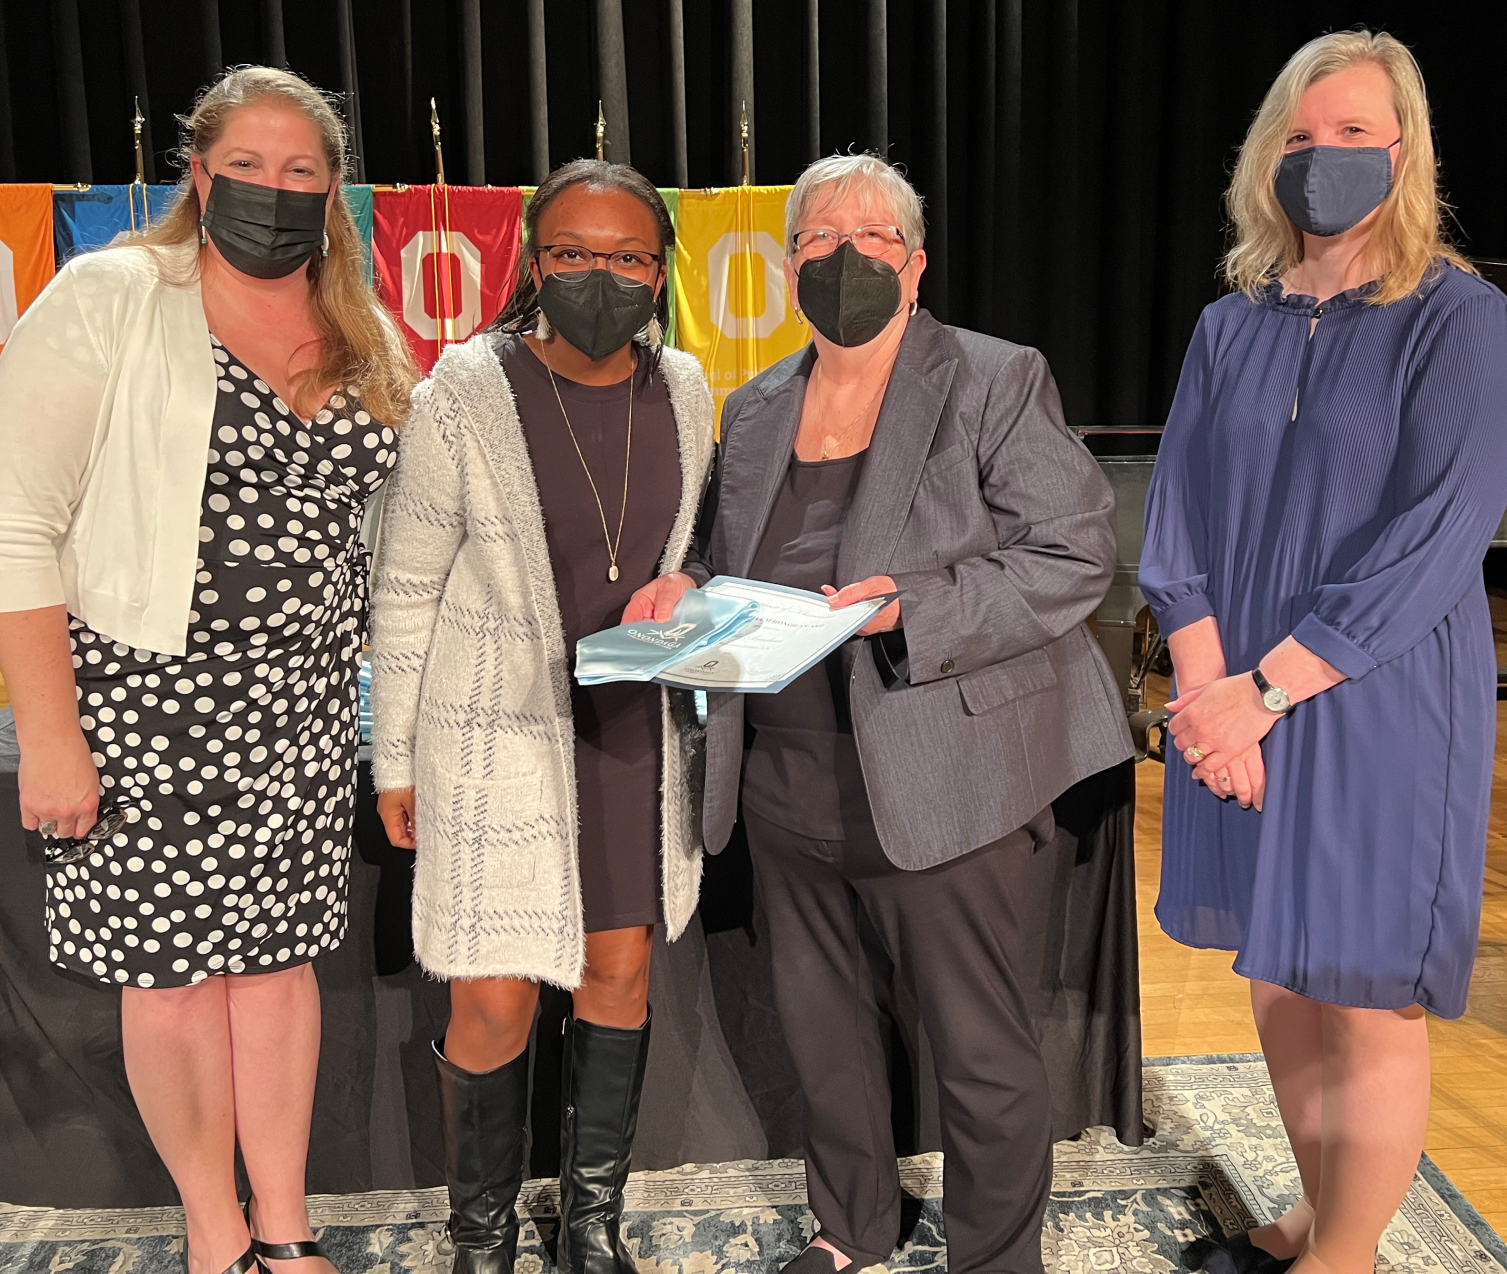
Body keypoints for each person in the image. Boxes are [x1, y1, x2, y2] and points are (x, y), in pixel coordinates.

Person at [625, 154, 1134, 1274]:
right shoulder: (754, 403)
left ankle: (996, 1257)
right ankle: (849, 1227)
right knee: (821, 1027)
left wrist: (916, 607)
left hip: (948, 767)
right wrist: (684, 586)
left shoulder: (993, 378)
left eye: (869, 237)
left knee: (977, 1044)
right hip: (782, 771)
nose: (841, 255)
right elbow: (723, 553)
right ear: (787, 260)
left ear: (913, 266)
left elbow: (1073, 551)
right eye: (815, 238)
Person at [0, 67, 414, 1274]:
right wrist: (53, 731)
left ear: (334, 191)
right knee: (175, 978)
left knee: (279, 966)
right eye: (248, 167)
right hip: (144, 704)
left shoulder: (363, 324)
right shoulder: (115, 296)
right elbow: (18, 520)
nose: (273, 193)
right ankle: (213, 1230)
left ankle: (282, 1226)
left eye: (301, 173)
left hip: (299, 708)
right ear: (198, 172)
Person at [1142, 30, 1507, 1274]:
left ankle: (1344, 1258)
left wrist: (1262, 689)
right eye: (1300, 138)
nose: (1323, 158)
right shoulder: (1225, 328)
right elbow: (1175, 514)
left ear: (1404, 153)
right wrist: (1204, 687)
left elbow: (1439, 532)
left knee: (1358, 984)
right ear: (1264, 161)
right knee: (1280, 970)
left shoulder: (1459, 316)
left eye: (1354, 134)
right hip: (1230, 695)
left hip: (1375, 694)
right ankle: (1314, 1207)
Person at [369, 159, 714, 1274]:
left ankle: (591, 1220)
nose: (598, 277)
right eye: (572, 253)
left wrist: (693, 590)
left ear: (659, 271)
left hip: (629, 740)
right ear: (533, 258)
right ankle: (481, 1235)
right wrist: (393, 759)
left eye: (627, 258)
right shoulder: (462, 392)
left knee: (618, 975)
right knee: (495, 997)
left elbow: (686, 555)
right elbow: (406, 589)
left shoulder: (691, 390)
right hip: (490, 740)